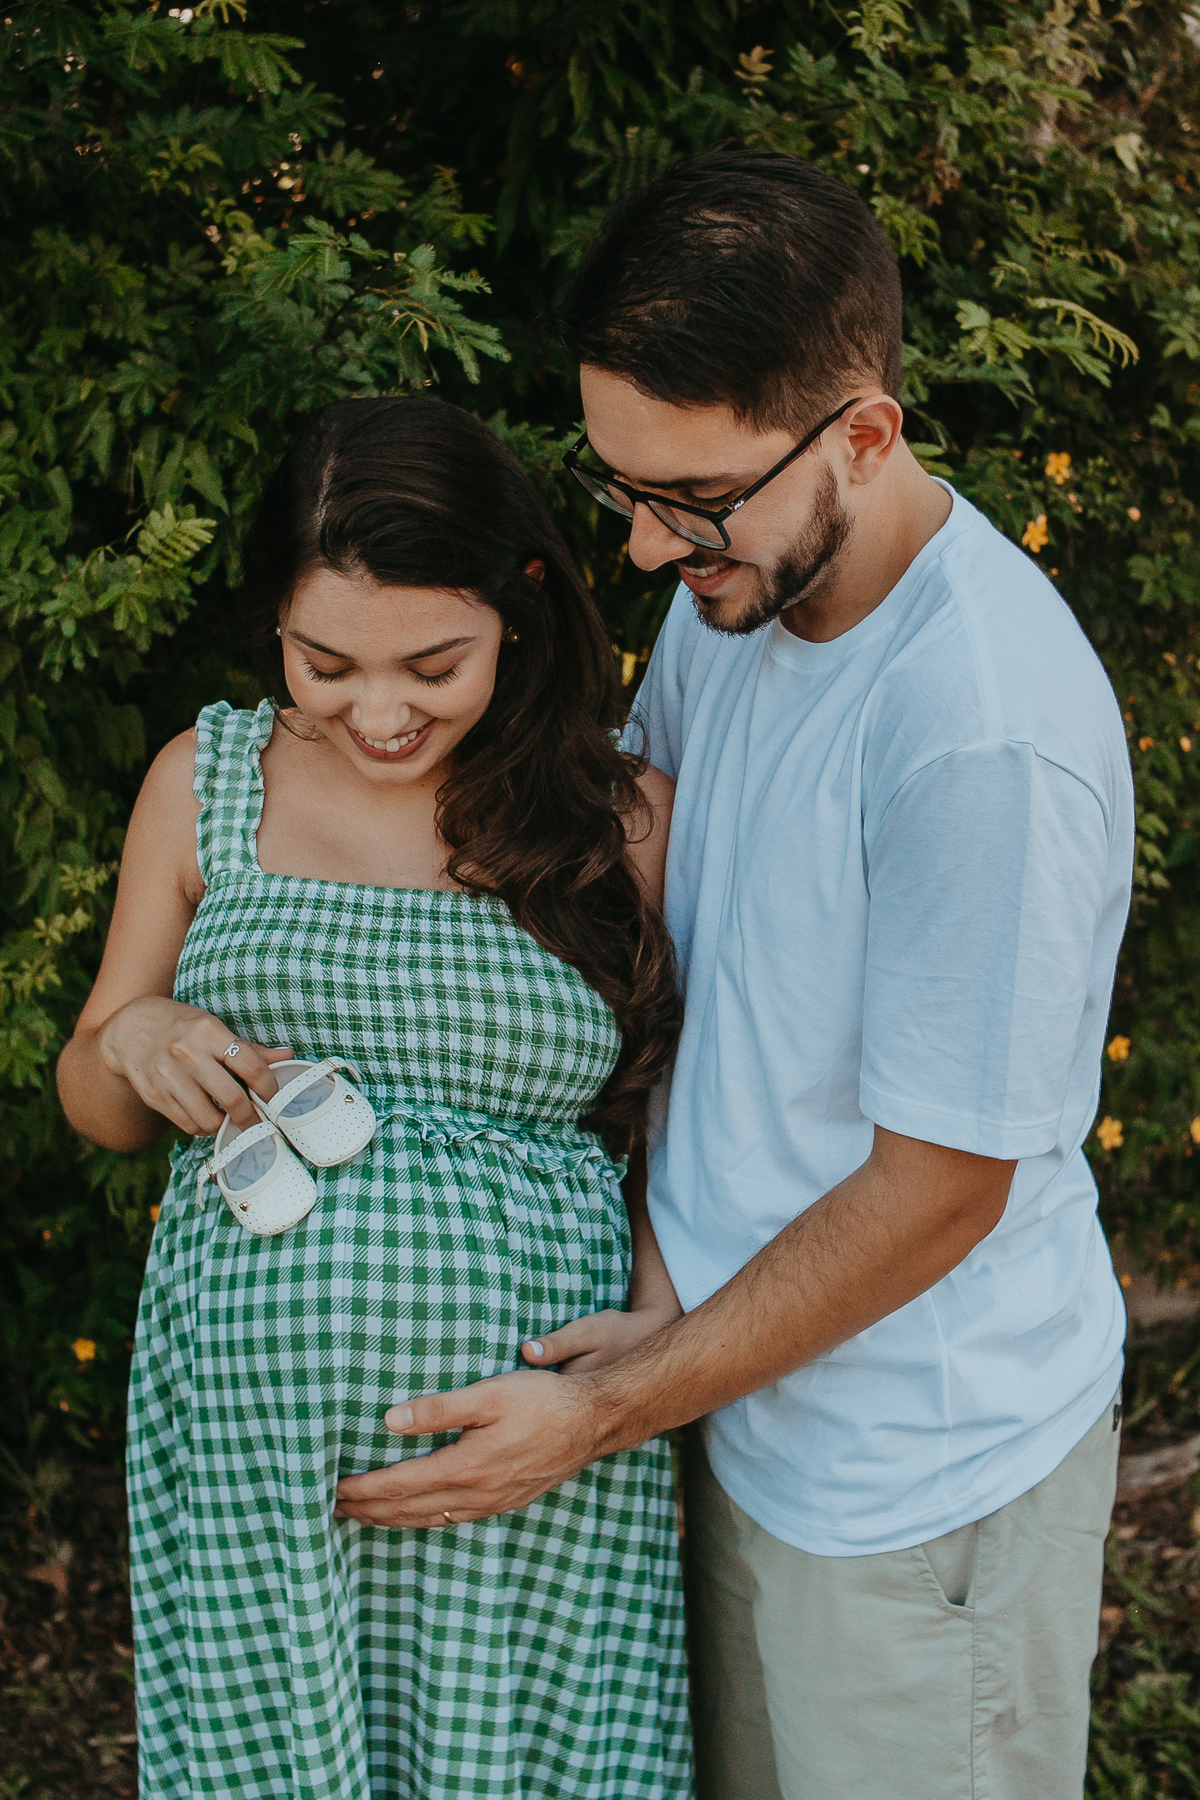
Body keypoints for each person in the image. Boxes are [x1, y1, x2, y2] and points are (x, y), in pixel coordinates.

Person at [338, 151, 1135, 1800]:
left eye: (688, 499)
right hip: (730, 1410)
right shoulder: (737, 587)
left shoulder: (983, 737)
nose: (640, 547)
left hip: (916, 1491)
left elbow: (938, 1187)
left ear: (863, 432)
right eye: (625, 487)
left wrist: (613, 1405)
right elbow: (658, 924)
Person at [56, 397, 694, 1800]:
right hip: (256, 1456)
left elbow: (669, 1123)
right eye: (326, 663)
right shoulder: (207, 780)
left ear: (521, 607)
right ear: (275, 621)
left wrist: (643, 1360)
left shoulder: (617, 817)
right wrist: (137, 1038)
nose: (381, 712)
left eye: (434, 664)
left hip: (536, 1443)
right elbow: (94, 1092)